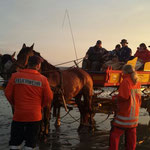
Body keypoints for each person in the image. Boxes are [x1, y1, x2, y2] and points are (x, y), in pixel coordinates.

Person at [5, 55, 53, 150]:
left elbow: (7, 93)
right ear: (38, 65)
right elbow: (49, 97)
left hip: (19, 115)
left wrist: (15, 104)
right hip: (34, 116)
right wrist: (40, 106)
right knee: (30, 143)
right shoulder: (43, 79)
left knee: (14, 142)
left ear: (27, 64)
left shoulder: (15, 76)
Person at [109, 64, 141, 150]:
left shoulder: (126, 81)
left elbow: (123, 97)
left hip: (125, 114)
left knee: (114, 135)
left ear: (125, 71)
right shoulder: (137, 81)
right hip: (134, 114)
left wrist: (115, 98)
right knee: (131, 136)